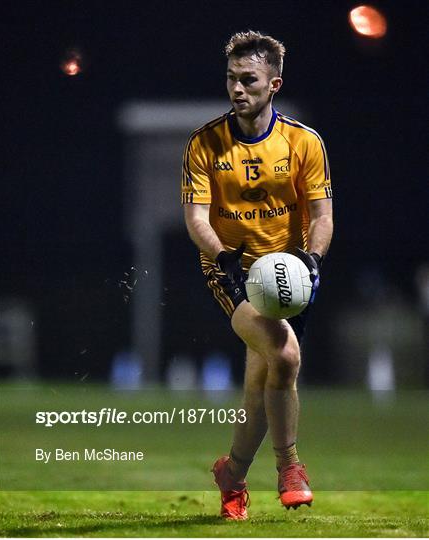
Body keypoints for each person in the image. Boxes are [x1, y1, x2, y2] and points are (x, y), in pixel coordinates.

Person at [181, 30, 333, 520]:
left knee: (261, 382)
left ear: (274, 84)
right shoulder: (205, 143)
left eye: (249, 80)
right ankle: (290, 467)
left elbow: (322, 216)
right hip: (232, 272)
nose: (237, 89)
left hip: (289, 275)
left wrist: (313, 259)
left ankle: (232, 475)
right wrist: (222, 254)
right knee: (286, 355)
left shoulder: (304, 142)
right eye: (231, 79)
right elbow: (197, 219)